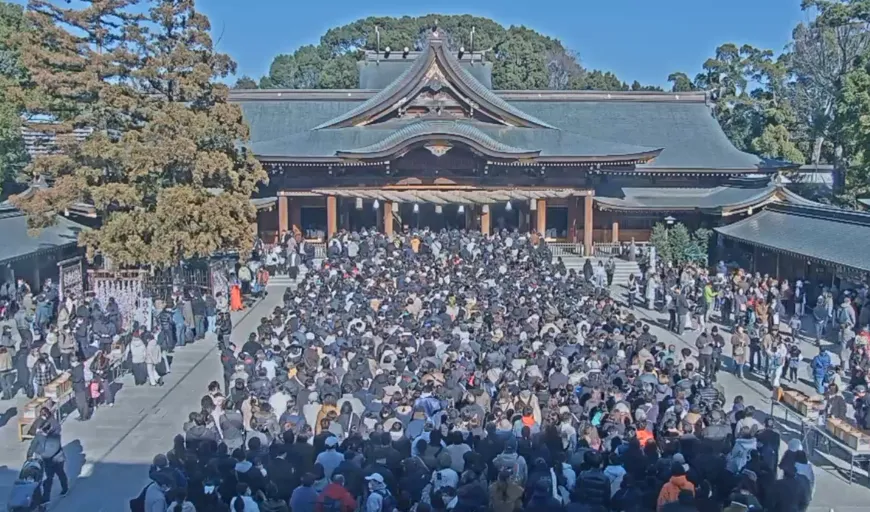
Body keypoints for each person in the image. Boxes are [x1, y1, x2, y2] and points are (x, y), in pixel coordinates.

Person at [27, 407, 68, 500]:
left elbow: (35, 445)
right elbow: (34, 441)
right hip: (53, 458)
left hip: (52, 459)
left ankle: (56, 492)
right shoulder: (48, 433)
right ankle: (48, 497)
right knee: (53, 476)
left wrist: (36, 454)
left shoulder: (51, 430)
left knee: (55, 476)